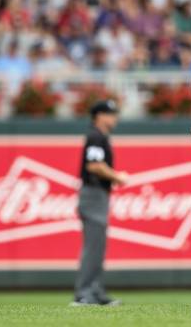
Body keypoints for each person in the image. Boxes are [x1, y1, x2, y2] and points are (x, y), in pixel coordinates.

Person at [72, 100, 128, 306]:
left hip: (98, 194)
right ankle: (84, 294)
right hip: (93, 193)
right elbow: (94, 165)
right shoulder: (95, 135)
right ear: (99, 116)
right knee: (93, 247)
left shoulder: (100, 136)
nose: (115, 118)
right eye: (111, 114)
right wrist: (117, 176)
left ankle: (95, 292)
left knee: (98, 246)